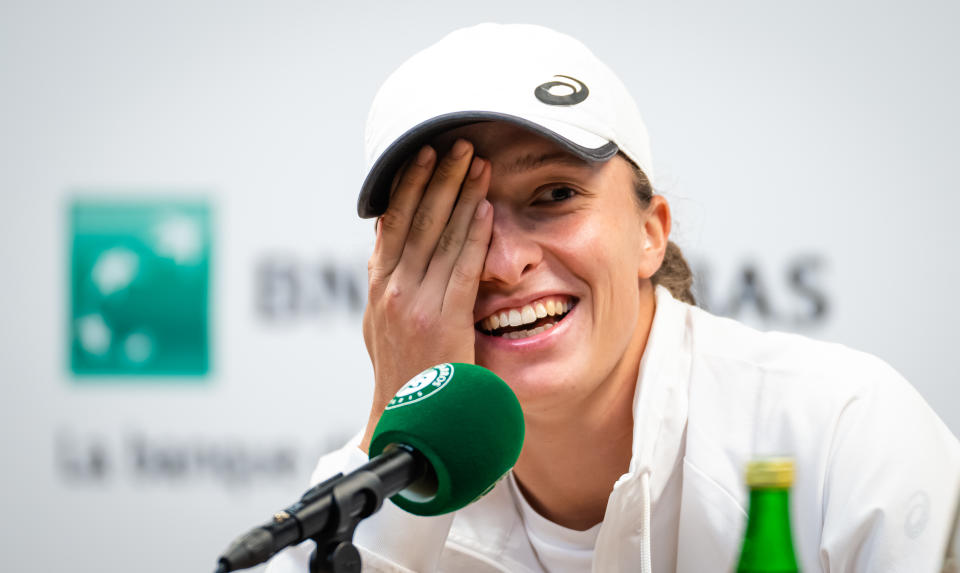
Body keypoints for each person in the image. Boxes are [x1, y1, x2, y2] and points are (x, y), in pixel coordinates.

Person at [267, 23, 960, 573]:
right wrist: (403, 428)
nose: (506, 263)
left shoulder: (844, 432)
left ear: (650, 233)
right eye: (450, 221)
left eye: (554, 195)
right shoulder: (363, 498)